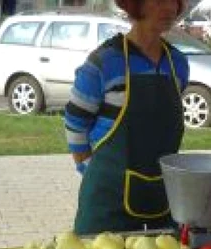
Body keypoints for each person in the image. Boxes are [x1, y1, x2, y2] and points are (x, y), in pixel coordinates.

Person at [64, 0, 189, 235]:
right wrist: (93, 172)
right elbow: (75, 123)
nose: (170, 7)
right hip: (106, 204)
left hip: (161, 201)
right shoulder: (104, 62)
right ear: (135, 5)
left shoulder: (178, 64)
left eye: (175, 1)